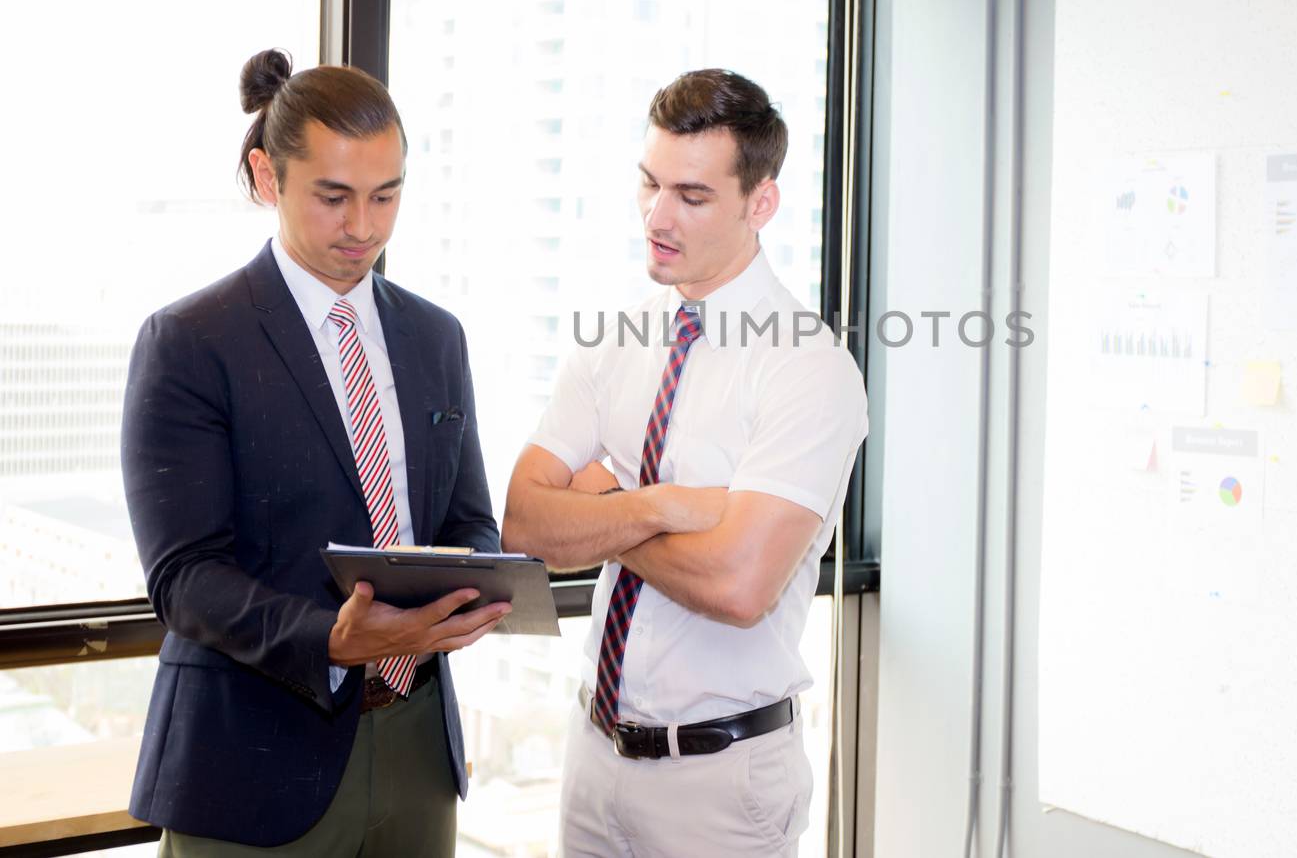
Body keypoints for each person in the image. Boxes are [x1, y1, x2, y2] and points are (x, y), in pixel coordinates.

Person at [122, 49, 509, 855]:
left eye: (386, 195)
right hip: (251, 757)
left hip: (416, 753)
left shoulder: (438, 338)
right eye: (333, 197)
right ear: (269, 178)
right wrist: (331, 638)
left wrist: (476, 584)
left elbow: (469, 521)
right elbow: (184, 576)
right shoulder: (191, 340)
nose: (362, 226)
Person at [502, 68, 868, 856]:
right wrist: (660, 504)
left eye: (692, 196)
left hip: (721, 783)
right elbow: (526, 521)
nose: (657, 217)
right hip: (593, 755)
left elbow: (738, 586)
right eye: (649, 184)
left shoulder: (807, 367)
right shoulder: (617, 338)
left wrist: (600, 507)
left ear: (759, 202)